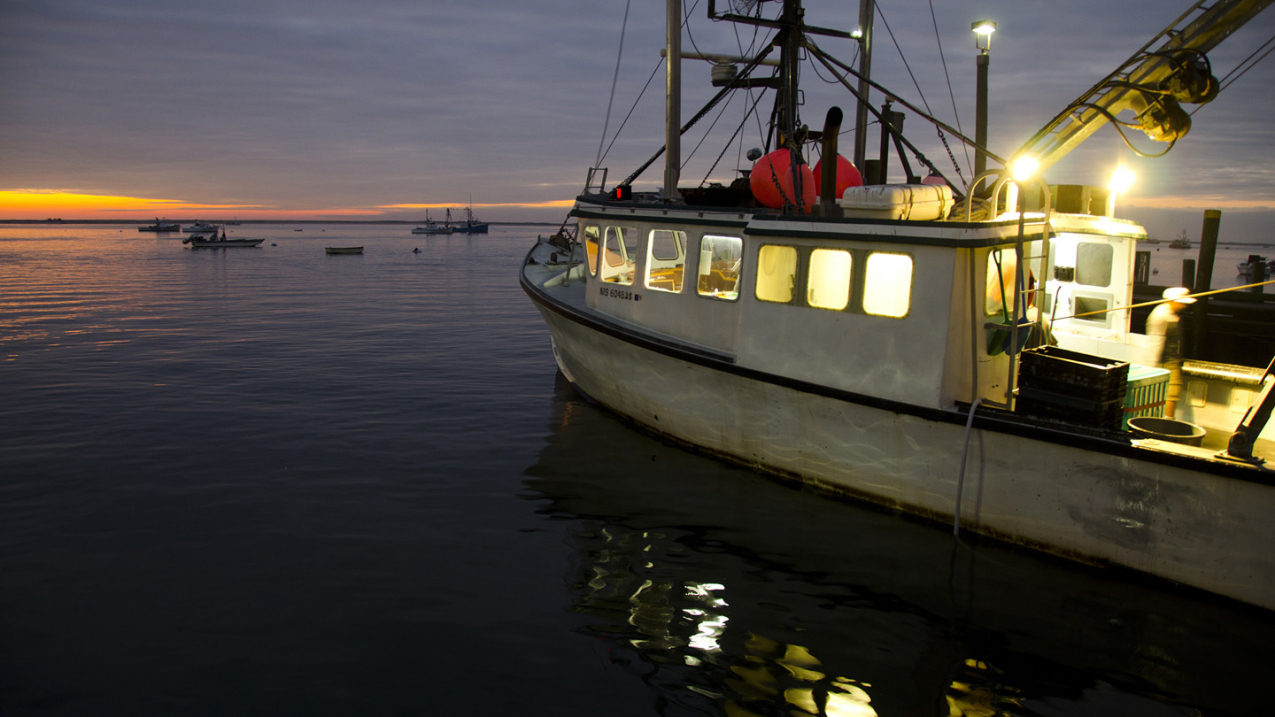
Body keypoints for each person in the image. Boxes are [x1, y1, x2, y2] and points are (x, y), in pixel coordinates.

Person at [1146, 287, 1195, 417]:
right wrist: (1151, 367)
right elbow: (1156, 342)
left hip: (1173, 359)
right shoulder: (1161, 316)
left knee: (1172, 391)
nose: (1184, 305)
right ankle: (1167, 422)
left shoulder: (1172, 314)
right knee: (1171, 391)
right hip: (1166, 361)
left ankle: (1166, 420)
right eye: (1182, 302)